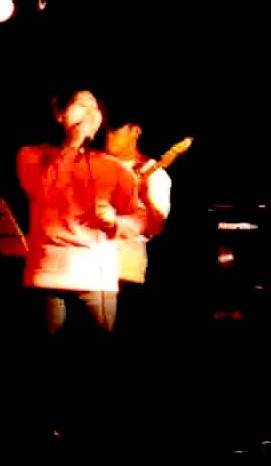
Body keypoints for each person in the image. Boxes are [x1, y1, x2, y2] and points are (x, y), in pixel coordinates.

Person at [16, 89, 139, 450]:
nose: (88, 112)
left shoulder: (112, 167)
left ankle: (97, 434)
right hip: (47, 273)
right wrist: (72, 143)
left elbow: (141, 219)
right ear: (58, 112)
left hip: (94, 274)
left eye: (93, 107)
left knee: (98, 362)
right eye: (79, 104)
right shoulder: (31, 155)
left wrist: (116, 221)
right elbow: (43, 189)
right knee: (49, 363)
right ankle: (49, 432)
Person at [107, 120, 172, 341]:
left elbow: (156, 227)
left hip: (124, 268)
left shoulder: (154, 173)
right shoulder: (95, 164)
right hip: (83, 261)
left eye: (114, 130)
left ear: (135, 131)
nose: (107, 135)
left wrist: (143, 194)